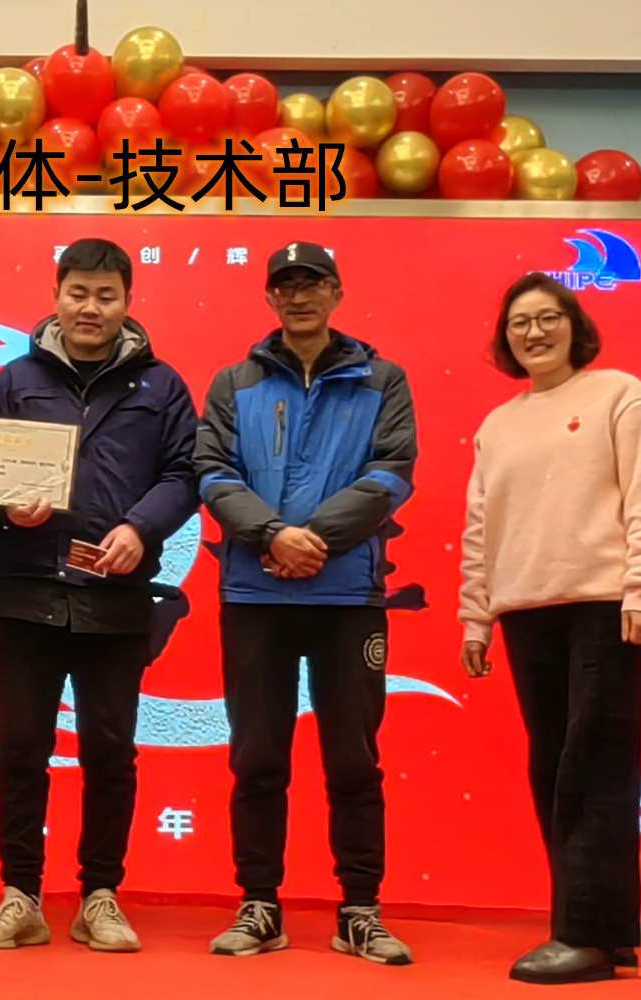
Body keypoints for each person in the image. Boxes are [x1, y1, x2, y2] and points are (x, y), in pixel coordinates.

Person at [0, 238, 200, 953]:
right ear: (56, 295)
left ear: (127, 302)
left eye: (105, 295)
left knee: (110, 751)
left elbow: (185, 473)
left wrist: (140, 526)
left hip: (115, 595)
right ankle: (20, 896)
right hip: (24, 592)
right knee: (20, 749)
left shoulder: (161, 385)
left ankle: (101, 895)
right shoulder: (16, 379)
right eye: (78, 293)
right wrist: (6, 507)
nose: (89, 307)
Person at [195, 242, 417, 964]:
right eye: (284, 286)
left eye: (311, 283)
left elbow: (392, 472)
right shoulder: (235, 382)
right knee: (257, 756)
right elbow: (211, 472)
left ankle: (360, 910)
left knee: (353, 758)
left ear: (336, 292)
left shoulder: (382, 379)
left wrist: (312, 539)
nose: (297, 296)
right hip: (253, 593)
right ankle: (259, 905)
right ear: (270, 298)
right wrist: (270, 535)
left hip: (347, 594)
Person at [459, 273, 641, 985]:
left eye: (547, 317)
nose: (533, 332)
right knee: (552, 767)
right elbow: (480, 526)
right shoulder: (498, 424)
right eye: (518, 322)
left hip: (603, 605)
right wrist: (476, 615)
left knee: (595, 766)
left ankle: (586, 935)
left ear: (573, 325)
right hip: (525, 610)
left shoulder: (618, 394)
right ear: (505, 337)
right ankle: (597, 930)